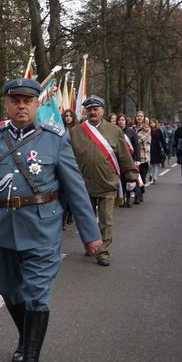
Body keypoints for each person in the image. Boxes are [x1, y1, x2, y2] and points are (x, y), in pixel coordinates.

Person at [0, 79, 102, 362]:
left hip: (43, 230)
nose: (22, 106)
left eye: (28, 100)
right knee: (11, 291)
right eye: (15, 100)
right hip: (2, 229)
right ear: (7, 105)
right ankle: (25, 335)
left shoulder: (55, 140)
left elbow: (75, 189)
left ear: (38, 105)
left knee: (37, 297)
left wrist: (89, 234)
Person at [69, 96, 138, 266]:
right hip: (84, 184)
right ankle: (90, 244)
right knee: (87, 219)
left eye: (96, 109)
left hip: (108, 183)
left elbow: (124, 155)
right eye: (90, 109)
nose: (93, 112)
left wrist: (131, 176)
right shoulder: (75, 132)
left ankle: (103, 252)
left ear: (102, 111)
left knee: (106, 221)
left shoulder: (114, 131)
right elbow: (68, 159)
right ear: (85, 112)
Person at [117, 114, 140, 207]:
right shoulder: (115, 131)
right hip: (118, 159)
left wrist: (137, 159)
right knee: (121, 180)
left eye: (123, 120)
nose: (121, 121)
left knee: (129, 179)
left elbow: (136, 146)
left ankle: (129, 198)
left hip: (129, 159)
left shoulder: (131, 132)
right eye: (119, 120)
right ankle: (122, 199)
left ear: (125, 121)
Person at [60, 109, 77, 227]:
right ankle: (63, 218)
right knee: (64, 192)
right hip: (63, 162)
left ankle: (71, 214)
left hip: (76, 162)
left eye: (70, 116)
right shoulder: (60, 130)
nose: (68, 118)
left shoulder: (77, 130)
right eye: (66, 116)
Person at [133, 111, 151, 203]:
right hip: (134, 156)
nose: (139, 117)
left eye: (141, 116)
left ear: (144, 118)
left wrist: (132, 139)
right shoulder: (132, 128)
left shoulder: (147, 129)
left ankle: (141, 191)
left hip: (143, 157)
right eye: (138, 116)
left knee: (142, 177)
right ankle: (137, 195)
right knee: (135, 176)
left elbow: (139, 140)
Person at [148, 118, 168, 183]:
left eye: (153, 123)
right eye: (150, 123)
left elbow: (162, 140)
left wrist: (166, 149)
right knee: (150, 163)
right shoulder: (147, 130)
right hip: (149, 148)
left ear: (155, 123)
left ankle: (154, 178)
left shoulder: (158, 130)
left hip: (156, 148)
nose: (151, 124)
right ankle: (150, 174)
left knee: (156, 164)